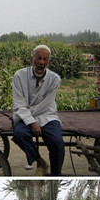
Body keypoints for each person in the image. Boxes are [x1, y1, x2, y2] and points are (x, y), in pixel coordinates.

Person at [11, 44, 64, 176]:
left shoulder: (54, 79)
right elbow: (19, 103)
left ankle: (56, 175)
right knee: (19, 135)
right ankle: (40, 162)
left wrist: (29, 120)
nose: (41, 62)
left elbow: (45, 105)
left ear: (48, 62)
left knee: (57, 141)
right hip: (25, 115)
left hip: (47, 116)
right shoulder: (19, 76)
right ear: (31, 60)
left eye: (45, 59)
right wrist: (30, 121)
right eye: (38, 58)